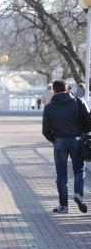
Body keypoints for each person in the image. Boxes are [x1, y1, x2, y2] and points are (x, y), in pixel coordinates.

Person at [42, 79, 88, 213]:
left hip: (59, 141)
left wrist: (55, 139)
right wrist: (82, 133)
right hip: (77, 140)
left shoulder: (49, 107)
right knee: (79, 170)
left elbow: (45, 130)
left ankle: (63, 205)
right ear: (67, 89)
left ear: (54, 91)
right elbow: (88, 120)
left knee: (61, 174)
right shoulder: (77, 102)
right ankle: (78, 194)